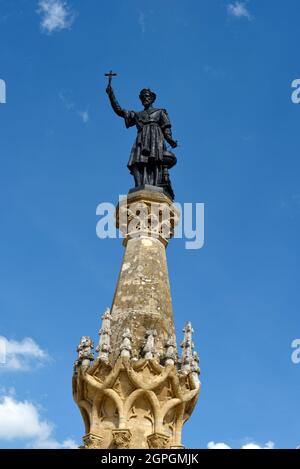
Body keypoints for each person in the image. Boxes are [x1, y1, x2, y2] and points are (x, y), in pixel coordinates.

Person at [106, 85, 178, 199]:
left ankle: (154, 185)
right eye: (143, 97)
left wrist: (170, 140)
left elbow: (166, 128)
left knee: (154, 163)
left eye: (148, 96)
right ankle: (139, 186)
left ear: (152, 98)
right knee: (136, 163)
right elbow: (120, 111)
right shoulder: (138, 114)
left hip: (155, 139)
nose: (145, 99)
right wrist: (111, 96)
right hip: (141, 140)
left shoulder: (160, 112)